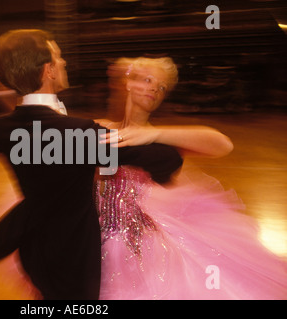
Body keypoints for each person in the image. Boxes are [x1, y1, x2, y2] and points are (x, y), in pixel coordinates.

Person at [0, 30, 183, 300]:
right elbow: (167, 160)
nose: (64, 63)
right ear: (48, 70)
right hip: (74, 258)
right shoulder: (79, 132)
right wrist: (153, 139)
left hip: (33, 249)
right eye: (59, 58)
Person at [95, 57, 287, 299]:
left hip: (148, 240)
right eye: (146, 80)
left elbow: (222, 144)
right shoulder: (100, 129)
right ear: (127, 83)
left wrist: (152, 134)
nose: (155, 88)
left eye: (161, 86)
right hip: (103, 238)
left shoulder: (161, 139)